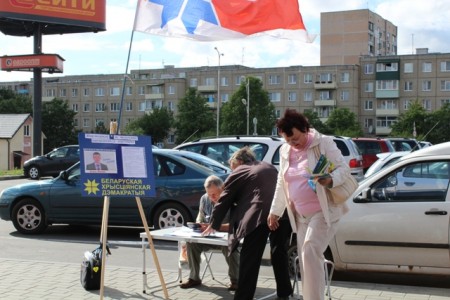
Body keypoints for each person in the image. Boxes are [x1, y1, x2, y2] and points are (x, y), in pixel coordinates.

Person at [268, 109, 350, 300]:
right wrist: (275, 211)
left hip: (324, 211)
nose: (292, 143)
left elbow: (344, 169)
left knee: (310, 250)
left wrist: (330, 179)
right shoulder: (285, 150)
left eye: (295, 138)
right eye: (288, 140)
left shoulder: (324, 143)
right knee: (307, 261)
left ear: (305, 129)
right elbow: (282, 181)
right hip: (301, 216)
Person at [203, 147, 278, 300]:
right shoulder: (269, 166)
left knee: (249, 259)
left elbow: (225, 198)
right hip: (280, 214)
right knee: (279, 255)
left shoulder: (241, 170)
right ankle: (284, 293)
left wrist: (214, 223)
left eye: (232, 168)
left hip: (259, 216)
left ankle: (243, 297)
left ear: (239, 162)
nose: (232, 172)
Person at [180, 175, 239, 291]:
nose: (212, 197)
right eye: (209, 194)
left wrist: (214, 227)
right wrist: (198, 225)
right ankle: (194, 278)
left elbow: (236, 226)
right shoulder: (204, 198)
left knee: (231, 246)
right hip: (208, 237)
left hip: (226, 238)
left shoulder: (232, 200)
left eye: (215, 194)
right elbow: (200, 218)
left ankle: (236, 280)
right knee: (191, 243)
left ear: (222, 189)